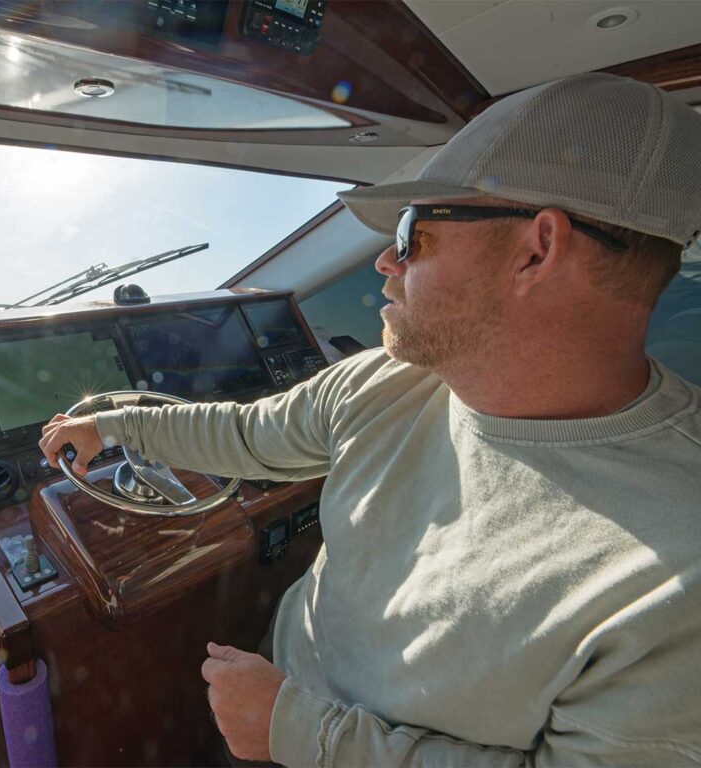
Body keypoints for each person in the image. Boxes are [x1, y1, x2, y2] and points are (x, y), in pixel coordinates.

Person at [39, 73, 701, 766]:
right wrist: (117, 423)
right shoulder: (392, 379)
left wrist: (299, 733)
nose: (386, 259)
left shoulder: (677, 567)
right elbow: (245, 435)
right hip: (276, 687)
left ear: (536, 251)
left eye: (414, 232)